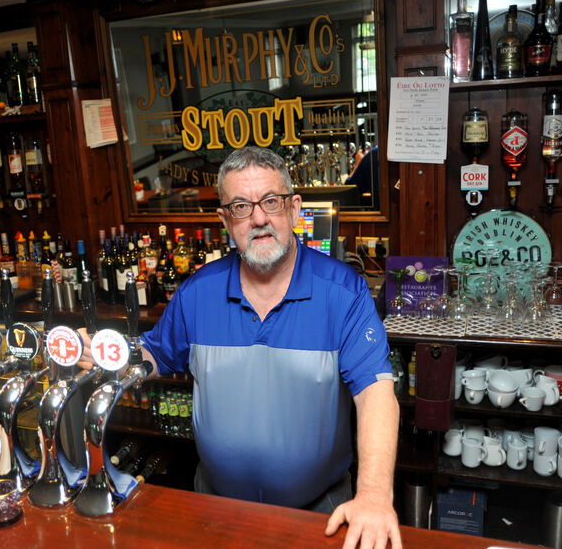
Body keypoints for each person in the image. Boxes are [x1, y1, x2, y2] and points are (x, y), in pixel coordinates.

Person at [78, 146, 400, 549]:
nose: (260, 219)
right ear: (225, 220)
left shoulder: (344, 293)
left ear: (294, 208)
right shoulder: (199, 291)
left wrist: (373, 495)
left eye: (271, 202)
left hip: (320, 513)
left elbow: (376, 394)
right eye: (242, 206)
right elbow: (156, 354)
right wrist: (112, 356)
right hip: (214, 511)